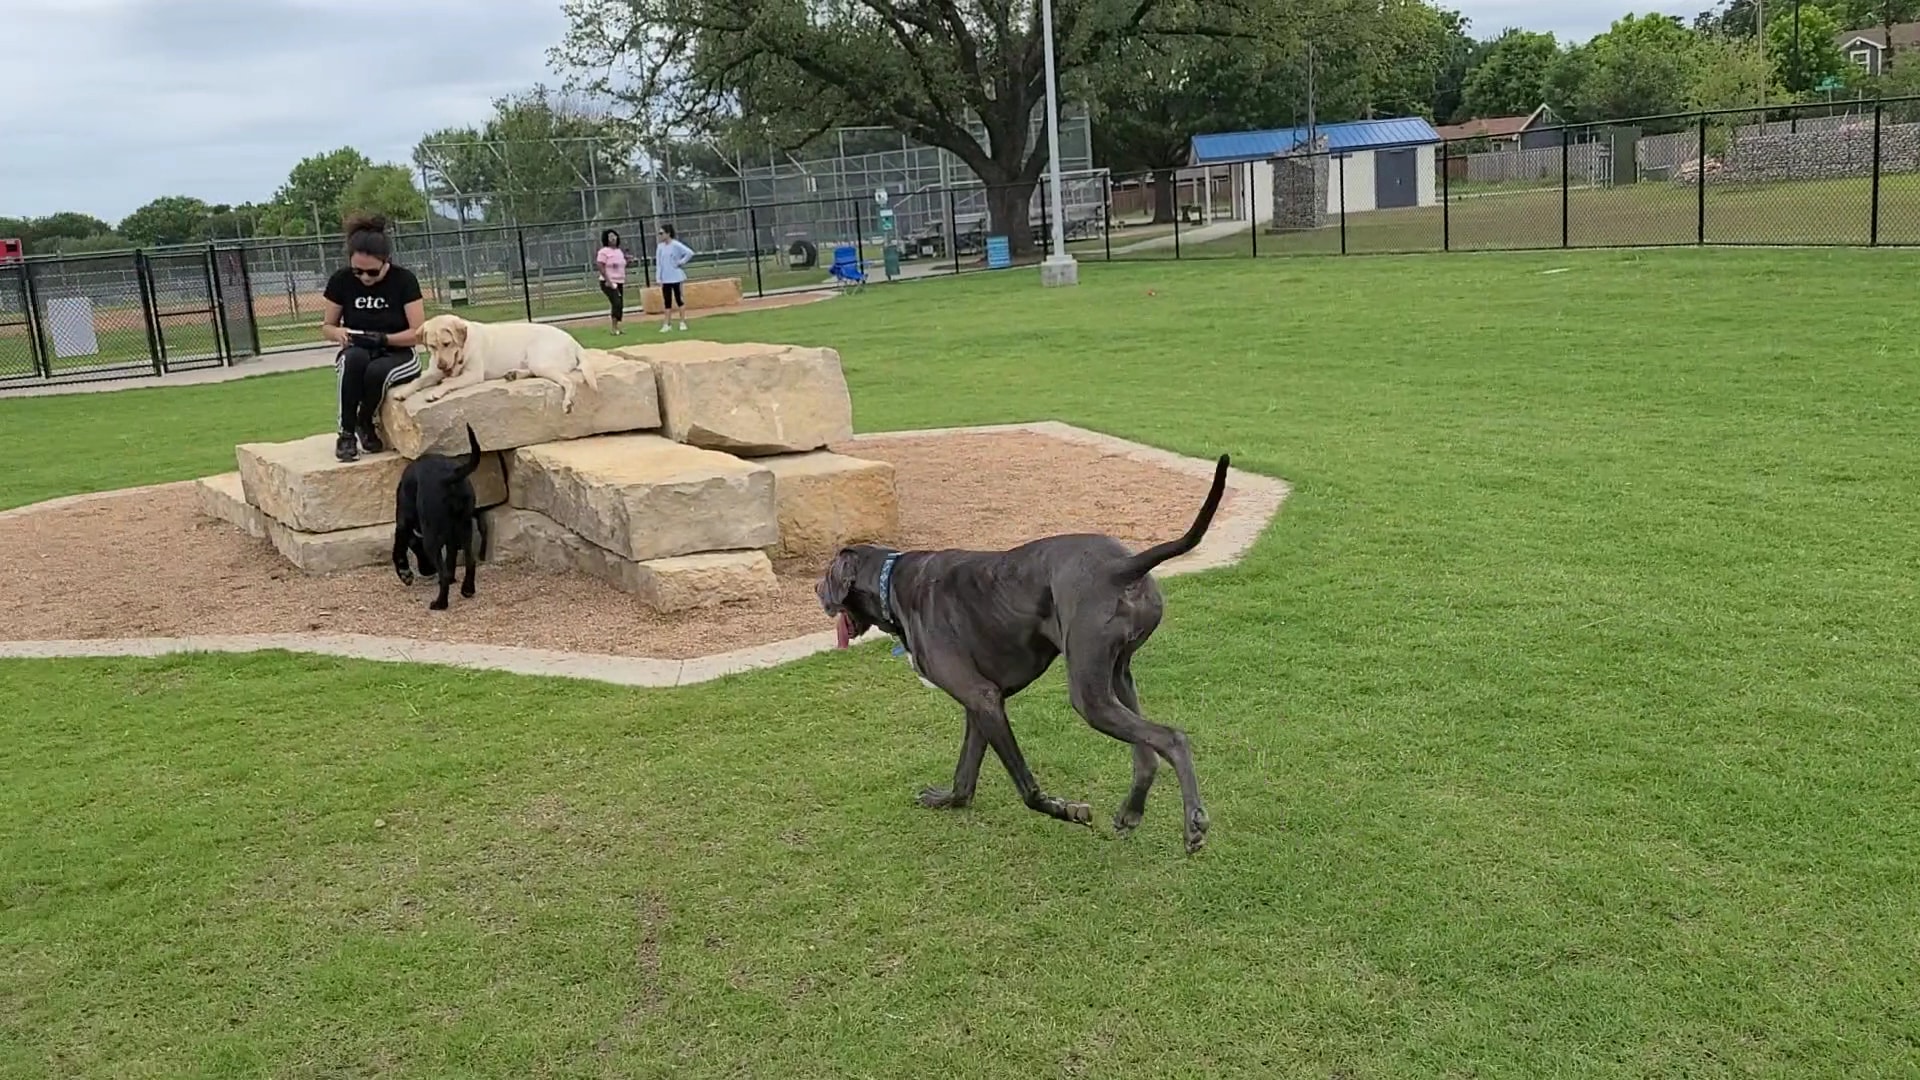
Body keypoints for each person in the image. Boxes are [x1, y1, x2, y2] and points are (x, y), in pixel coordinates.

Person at [321, 214, 425, 462]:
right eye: (358, 271)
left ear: (386, 261)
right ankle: (346, 434)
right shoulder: (341, 281)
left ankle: (364, 420)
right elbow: (327, 327)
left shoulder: (404, 280)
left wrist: (384, 340)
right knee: (352, 361)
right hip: (359, 347)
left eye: (372, 272)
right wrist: (338, 333)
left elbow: (418, 333)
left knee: (377, 372)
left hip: (399, 352)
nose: (365, 278)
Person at [655, 223, 695, 333]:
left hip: (676, 277)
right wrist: (659, 278)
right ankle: (667, 324)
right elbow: (659, 263)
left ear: (668, 233)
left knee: (679, 299)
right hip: (666, 278)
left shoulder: (676, 244)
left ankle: (682, 322)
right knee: (667, 301)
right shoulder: (660, 247)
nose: (660, 235)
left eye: (662, 233)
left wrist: (680, 262)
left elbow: (689, 253)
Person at [595, 228, 628, 335]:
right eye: (610, 237)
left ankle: (617, 327)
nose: (613, 238)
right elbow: (600, 265)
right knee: (616, 302)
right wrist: (608, 280)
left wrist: (627, 260)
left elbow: (620, 264)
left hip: (619, 281)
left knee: (620, 304)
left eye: (614, 236)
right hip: (608, 281)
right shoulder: (603, 252)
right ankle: (614, 328)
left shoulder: (619, 251)